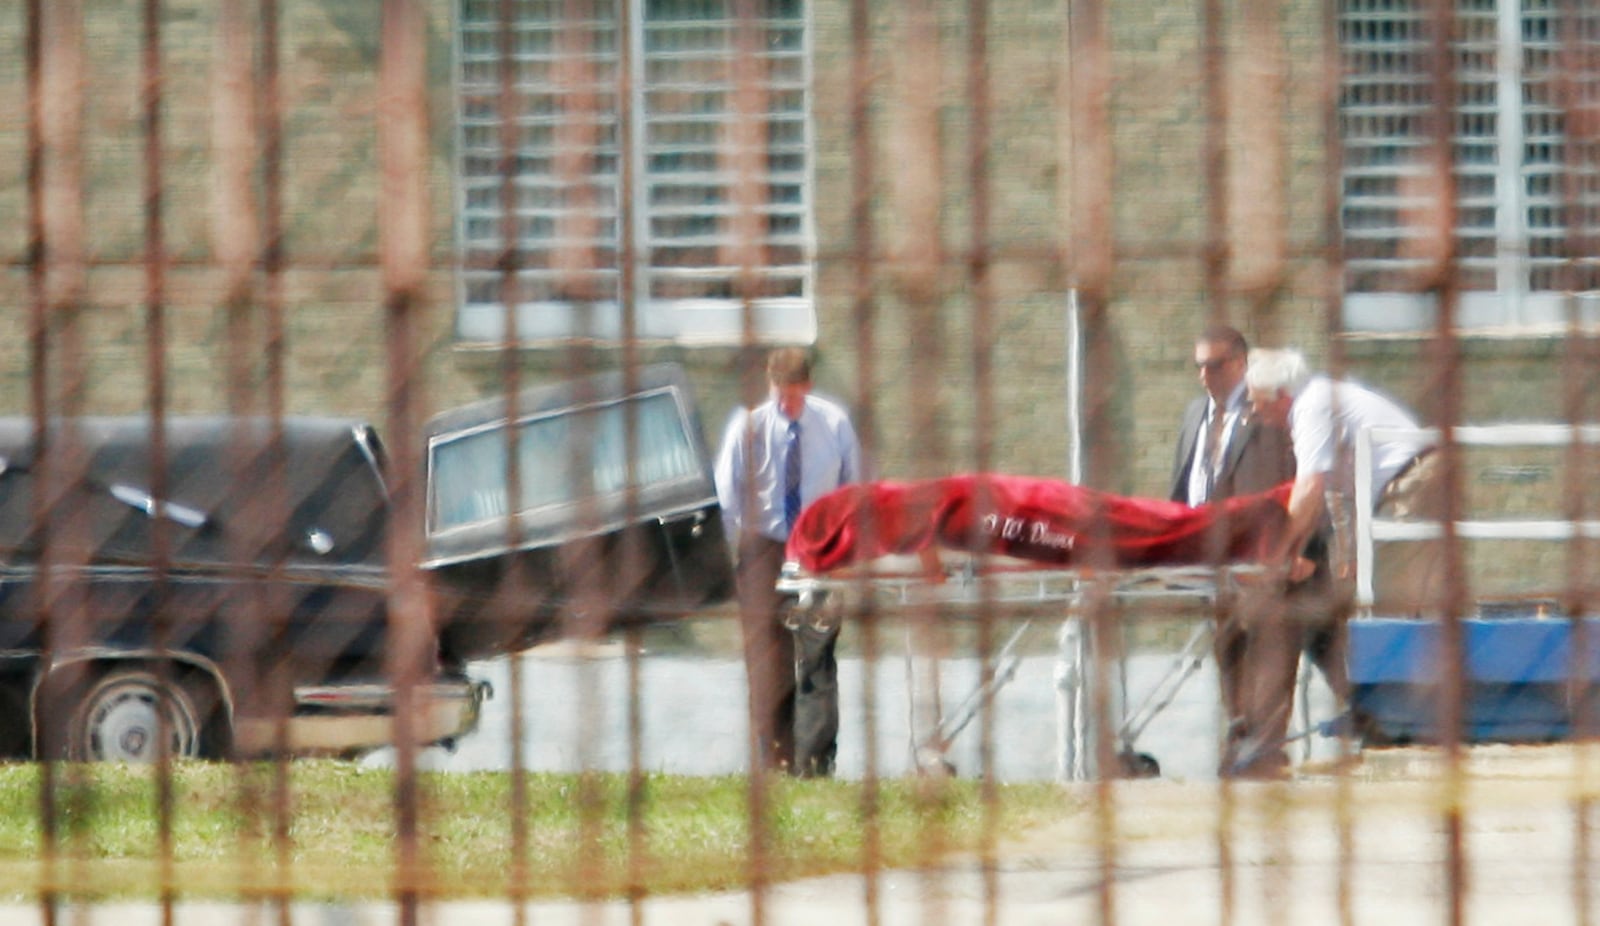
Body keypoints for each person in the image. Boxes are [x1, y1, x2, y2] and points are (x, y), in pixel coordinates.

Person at [1240, 347, 1442, 773]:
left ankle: (1406, 712)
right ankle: (1392, 708)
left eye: (1259, 404)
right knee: (1380, 597)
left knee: (1394, 600)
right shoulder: (1322, 401)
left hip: (1410, 483)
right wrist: (1336, 555)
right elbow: (1334, 493)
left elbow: (1309, 488)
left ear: (1281, 395)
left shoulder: (1311, 406)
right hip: (1401, 486)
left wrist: (1276, 553)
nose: (1258, 415)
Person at [1168, 326, 1339, 778]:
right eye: (1198, 366)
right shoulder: (1194, 416)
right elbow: (1185, 488)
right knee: (1229, 653)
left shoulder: (1271, 411)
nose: (1205, 375)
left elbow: (1308, 480)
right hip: (1214, 561)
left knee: (1272, 652)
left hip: (1272, 558)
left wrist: (1312, 548)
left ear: (1241, 365)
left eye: (1215, 365)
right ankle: (1242, 743)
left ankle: (1265, 752)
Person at [714, 348, 862, 777]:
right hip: (764, 544)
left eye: (794, 396)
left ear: (808, 387)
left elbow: (855, 488)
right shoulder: (748, 427)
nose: (787, 405)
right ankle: (775, 758)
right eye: (780, 395)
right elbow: (727, 495)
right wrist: (736, 557)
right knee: (766, 657)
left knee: (817, 653)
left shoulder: (833, 424)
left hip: (819, 544)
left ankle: (815, 761)